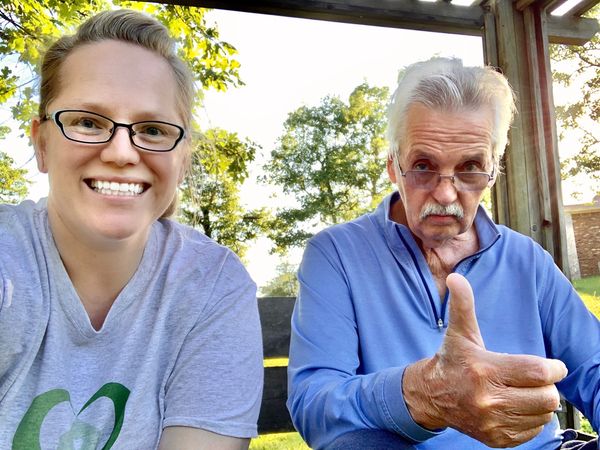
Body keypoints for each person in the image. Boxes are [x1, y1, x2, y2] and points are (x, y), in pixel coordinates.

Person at [287, 57, 600, 450]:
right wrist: (426, 394)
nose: (446, 193)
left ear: (493, 171)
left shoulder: (527, 260)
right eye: (423, 165)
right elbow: (314, 401)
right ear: (392, 167)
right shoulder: (336, 255)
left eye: (470, 167)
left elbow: (594, 368)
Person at [0, 9, 263, 449]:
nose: (121, 152)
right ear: (42, 143)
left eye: (153, 129)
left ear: (181, 161)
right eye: (87, 122)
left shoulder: (213, 286)